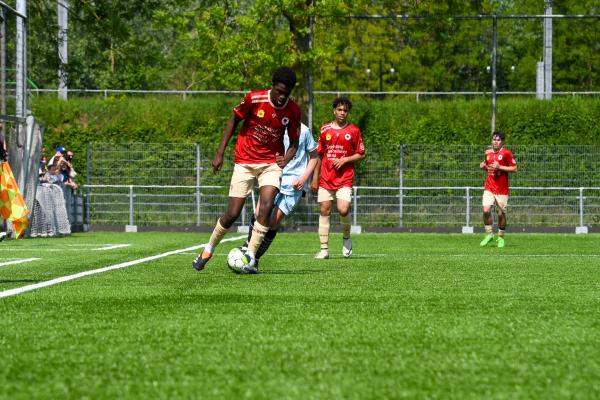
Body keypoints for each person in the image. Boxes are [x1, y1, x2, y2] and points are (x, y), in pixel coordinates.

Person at [192, 67, 301, 273]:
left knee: (266, 206)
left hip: (271, 164)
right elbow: (233, 120)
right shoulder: (254, 98)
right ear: (272, 86)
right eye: (278, 91)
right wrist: (220, 153)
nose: (281, 97)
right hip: (244, 161)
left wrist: (285, 159)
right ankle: (208, 249)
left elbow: (294, 141)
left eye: (286, 93)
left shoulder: (293, 111)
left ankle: (250, 255)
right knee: (232, 213)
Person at [242, 122, 318, 267]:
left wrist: (303, 179)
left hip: (294, 185)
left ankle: (255, 259)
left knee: (272, 222)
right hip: (273, 176)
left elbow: (314, 156)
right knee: (259, 214)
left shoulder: (304, 131)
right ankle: (248, 247)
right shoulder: (273, 127)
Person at [310, 96, 365, 259]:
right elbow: (318, 155)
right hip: (326, 178)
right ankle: (324, 250)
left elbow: (361, 153)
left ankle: (346, 237)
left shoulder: (354, 131)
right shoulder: (325, 130)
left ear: (348, 113)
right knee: (324, 210)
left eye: (345, 110)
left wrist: (345, 159)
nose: (342, 113)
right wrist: (315, 178)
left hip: (345, 179)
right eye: (339, 110)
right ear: (334, 111)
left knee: (343, 209)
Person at [479, 131, 517, 248]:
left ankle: (500, 237)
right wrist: (483, 166)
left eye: (498, 140)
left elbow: (514, 168)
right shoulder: (487, 153)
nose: (496, 142)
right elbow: (488, 167)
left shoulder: (506, 153)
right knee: (486, 210)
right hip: (489, 187)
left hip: (502, 189)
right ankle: (489, 234)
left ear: (502, 142)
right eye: (494, 139)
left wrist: (500, 166)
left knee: (501, 214)